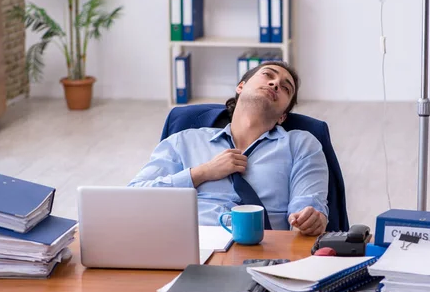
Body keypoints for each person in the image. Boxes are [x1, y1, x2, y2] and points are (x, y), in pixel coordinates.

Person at [128, 61, 329, 236]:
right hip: (189, 248)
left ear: (283, 116)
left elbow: (307, 205)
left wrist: (309, 221)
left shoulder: (300, 145)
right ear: (241, 86)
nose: (275, 83)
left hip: (262, 257)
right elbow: (133, 198)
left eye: (286, 88)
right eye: (268, 75)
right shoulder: (184, 141)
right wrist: (202, 173)